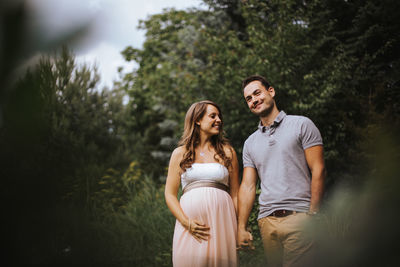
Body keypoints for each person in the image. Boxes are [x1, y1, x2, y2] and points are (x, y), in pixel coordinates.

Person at [237, 75, 326, 267]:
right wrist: (241, 227)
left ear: (271, 91)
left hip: (299, 216)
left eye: (257, 93)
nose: (254, 100)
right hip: (267, 222)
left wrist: (313, 214)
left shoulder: (302, 124)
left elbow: (318, 169)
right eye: (249, 99)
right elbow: (248, 186)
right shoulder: (250, 143)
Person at [165, 100, 240, 267]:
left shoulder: (228, 152)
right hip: (190, 228)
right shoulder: (180, 154)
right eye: (213, 116)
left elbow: (235, 193)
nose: (219, 120)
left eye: (219, 116)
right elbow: (169, 194)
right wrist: (186, 222)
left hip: (223, 226)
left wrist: (238, 227)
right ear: (197, 120)